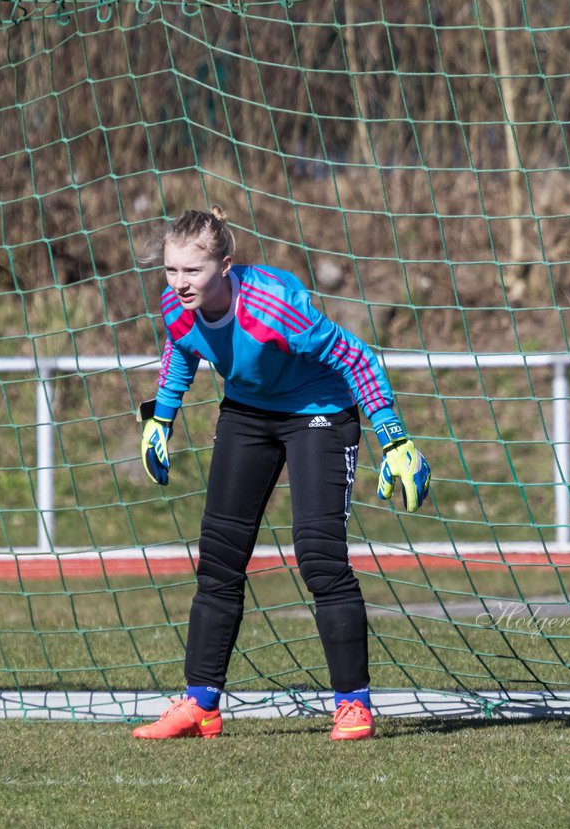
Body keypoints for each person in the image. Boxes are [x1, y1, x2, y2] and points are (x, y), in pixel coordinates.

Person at [133, 206, 430, 741]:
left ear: (226, 265)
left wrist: (395, 438)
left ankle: (353, 704)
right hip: (247, 413)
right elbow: (182, 347)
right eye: (171, 270)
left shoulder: (272, 307)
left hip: (319, 411)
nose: (179, 284)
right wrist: (162, 416)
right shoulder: (176, 303)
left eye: (192, 272)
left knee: (318, 556)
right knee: (219, 558)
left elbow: (355, 355)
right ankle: (200, 703)